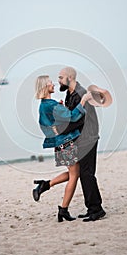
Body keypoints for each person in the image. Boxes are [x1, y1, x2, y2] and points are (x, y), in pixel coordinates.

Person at [33, 75, 90, 222]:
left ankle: (45, 186)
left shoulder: (45, 104)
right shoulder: (50, 105)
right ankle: (63, 209)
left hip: (61, 143)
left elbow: (51, 124)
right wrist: (83, 100)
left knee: (74, 173)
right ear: (45, 86)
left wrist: (60, 110)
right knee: (74, 175)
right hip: (65, 143)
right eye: (50, 82)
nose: (53, 84)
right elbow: (72, 117)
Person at [58, 66, 106, 222]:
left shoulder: (80, 94)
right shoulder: (69, 94)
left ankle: (96, 209)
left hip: (88, 137)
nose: (58, 80)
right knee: (85, 173)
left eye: (61, 77)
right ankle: (92, 208)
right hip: (80, 138)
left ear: (69, 78)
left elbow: (77, 119)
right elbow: (72, 114)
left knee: (87, 173)